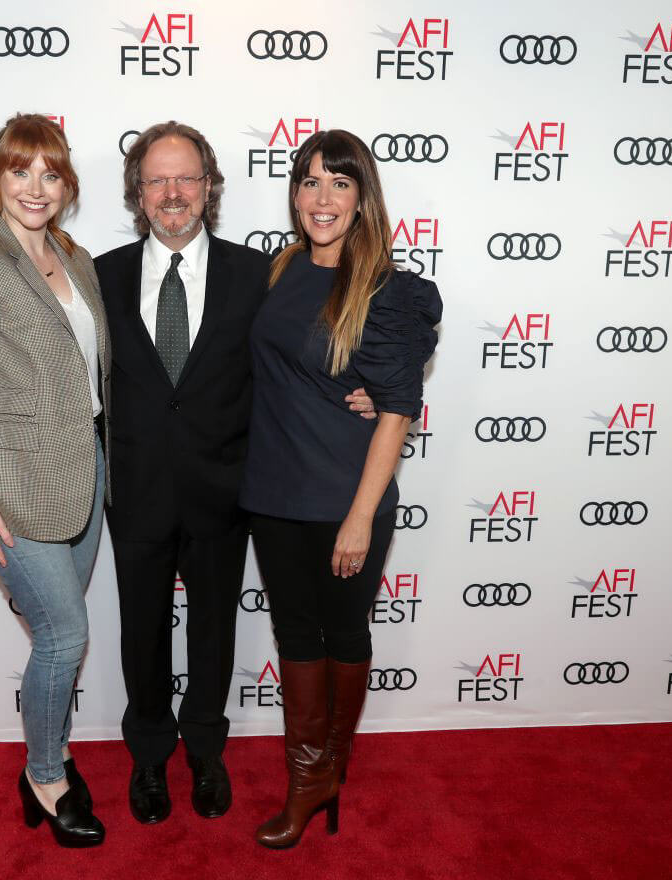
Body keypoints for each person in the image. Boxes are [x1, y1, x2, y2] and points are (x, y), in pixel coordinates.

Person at [93, 122, 376, 824]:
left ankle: (205, 752)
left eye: (186, 178)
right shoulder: (99, 276)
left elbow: (325, 328)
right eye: (156, 179)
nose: (172, 193)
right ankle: (151, 758)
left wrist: (372, 386)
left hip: (227, 490)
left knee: (214, 632)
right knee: (142, 632)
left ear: (210, 186)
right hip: (137, 490)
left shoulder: (263, 274)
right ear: (137, 192)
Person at [240, 129, 442, 848]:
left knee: (344, 630)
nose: (321, 198)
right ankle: (308, 776)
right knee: (295, 633)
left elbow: (396, 410)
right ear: (295, 194)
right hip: (272, 488)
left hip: (344, 495)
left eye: (339, 184)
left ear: (362, 201)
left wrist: (360, 518)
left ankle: (332, 765)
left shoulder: (384, 287)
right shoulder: (282, 267)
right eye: (310, 182)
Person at [0, 113, 110, 848]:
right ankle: (44, 773)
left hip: (87, 474)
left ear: (66, 184)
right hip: (8, 486)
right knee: (65, 636)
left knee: (51, 634)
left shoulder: (76, 256)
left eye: (51, 172)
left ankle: (56, 747)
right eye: (20, 170)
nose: (36, 186)